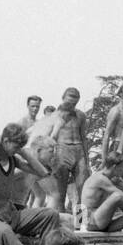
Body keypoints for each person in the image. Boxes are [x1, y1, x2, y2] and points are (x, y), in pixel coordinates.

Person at [0, 123, 60, 245]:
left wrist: (24, 153)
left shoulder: (13, 159)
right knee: (4, 231)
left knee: (51, 214)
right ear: (5, 141)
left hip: (10, 214)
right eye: (16, 146)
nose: (18, 149)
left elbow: (42, 173)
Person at [48, 87, 89, 219]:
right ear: (63, 97)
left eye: (75, 101)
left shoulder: (81, 115)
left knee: (83, 188)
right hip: (62, 149)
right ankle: (61, 222)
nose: (72, 104)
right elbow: (49, 137)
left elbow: (83, 137)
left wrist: (87, 160)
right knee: (60, 191)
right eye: (70, 100)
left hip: (78, 150)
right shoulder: (55, 116)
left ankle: (81, 221)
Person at [24, 102, 59, 208]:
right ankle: (81, 223)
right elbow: (53, 137)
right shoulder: (56, 121)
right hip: (40, 157)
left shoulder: (38, 123)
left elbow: (26, 134)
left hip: (30, 155)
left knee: (39, 196)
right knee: (54, 195)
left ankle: (36, 220)